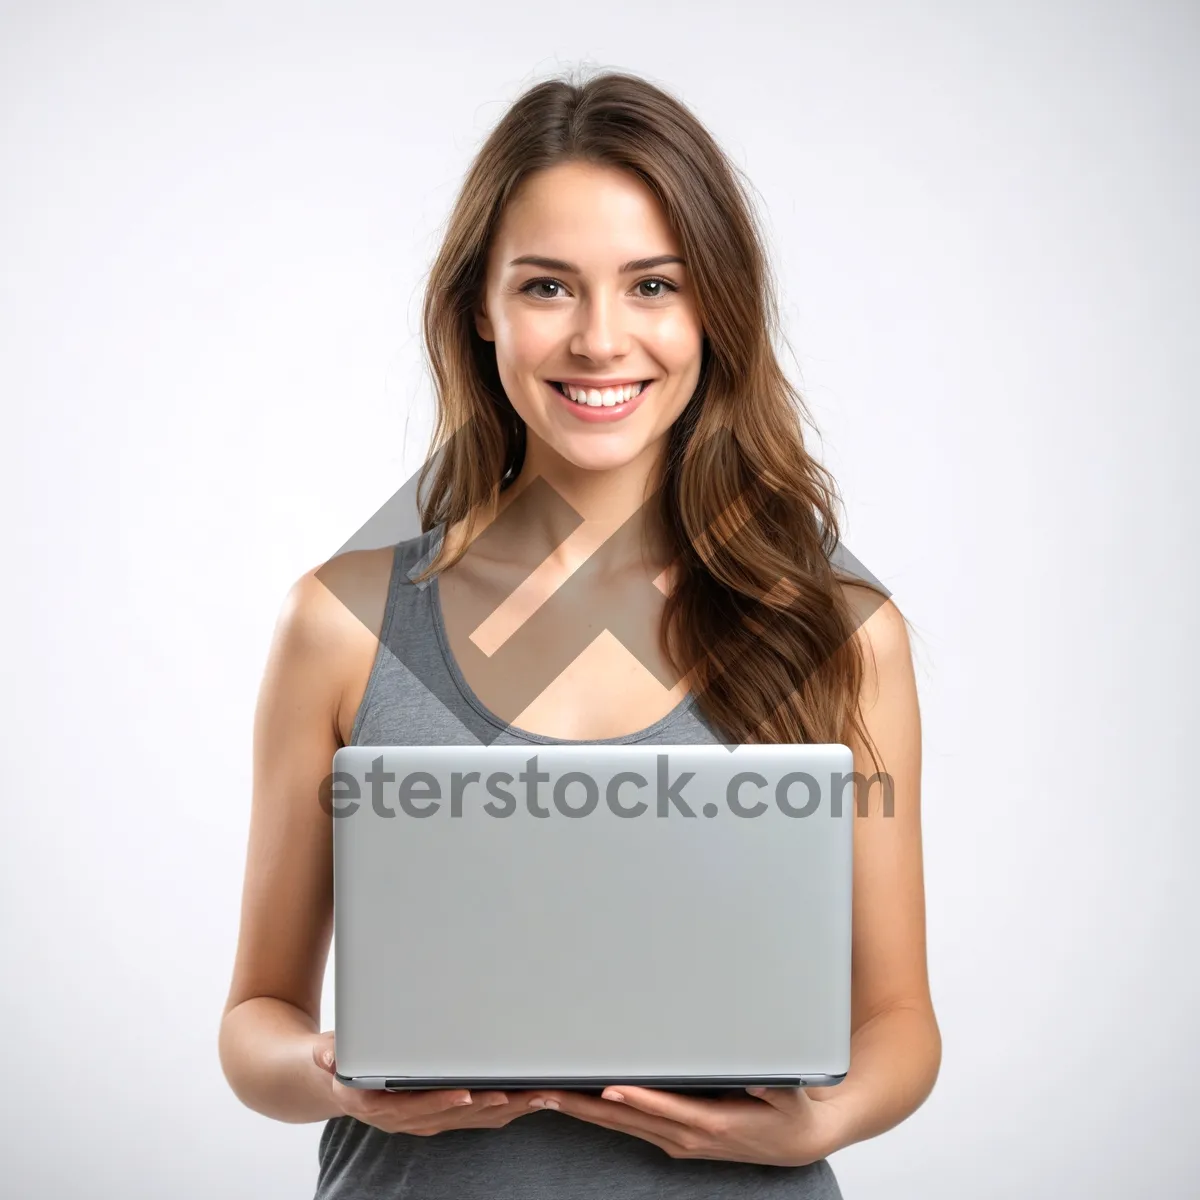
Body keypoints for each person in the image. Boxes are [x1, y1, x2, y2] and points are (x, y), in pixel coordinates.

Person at [218, 67, 941, 1199]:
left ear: (716, 311)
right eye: (549, 287)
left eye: (654, 284)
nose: (603, 340)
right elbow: (254, 1024)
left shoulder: (840, 631)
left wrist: (817, 1125)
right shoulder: (344, 623)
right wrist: (332, 1071)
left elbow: (901, 1025)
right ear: (481, 309)